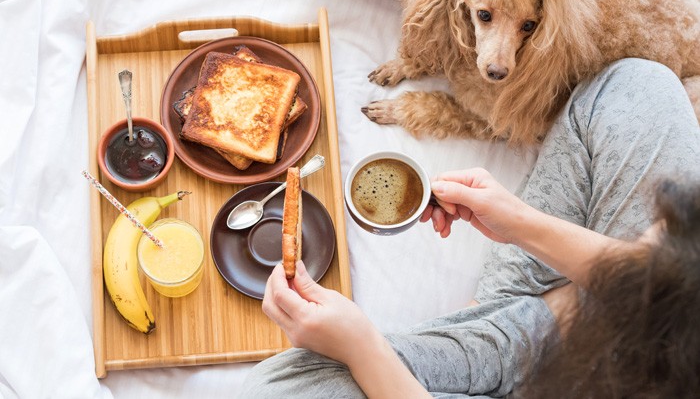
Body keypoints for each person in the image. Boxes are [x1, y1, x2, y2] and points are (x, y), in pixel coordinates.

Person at [239, 58, 700, 398]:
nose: (645, 239)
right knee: (640, 85)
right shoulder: (673, 284)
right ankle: (539, 305)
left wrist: (362, 348)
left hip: (570, 375)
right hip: (646, 318)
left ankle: (494, 321)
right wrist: (518, 224)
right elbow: (662, 272)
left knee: (275, 390)